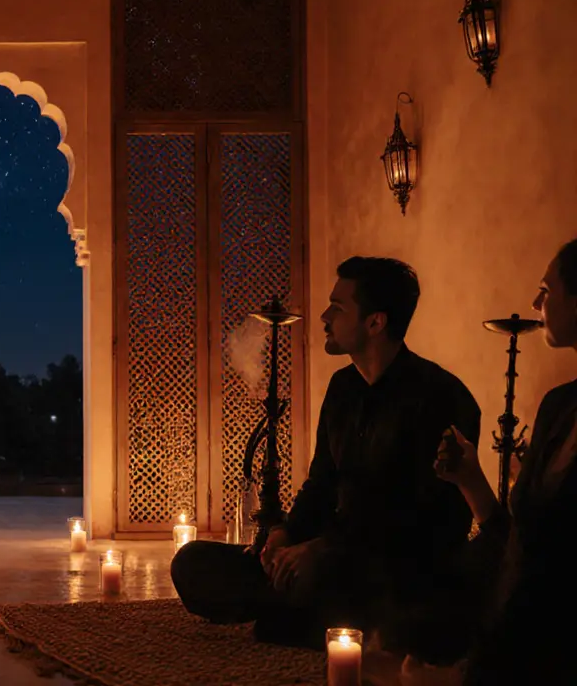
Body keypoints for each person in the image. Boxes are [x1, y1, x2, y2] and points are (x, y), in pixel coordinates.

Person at [171, 256, 480, 653]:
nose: (323, 316)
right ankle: (304, 613)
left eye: (338, 306)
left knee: (393, 599)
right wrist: (286, 534)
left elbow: (435, 523)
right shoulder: (342, 389)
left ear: (375, 322)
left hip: (393, 570)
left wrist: (325, 550)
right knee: (192, 563)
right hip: (330, 558)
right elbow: (321, 483)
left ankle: (305, 614)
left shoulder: (439, 397)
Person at [414, 237, 577, 685]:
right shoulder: (559, 406)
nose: (535, 301)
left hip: (559, 623)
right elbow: (518, 541)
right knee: (412, 614)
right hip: (523, 606)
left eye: (547, 289)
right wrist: (470, 480)